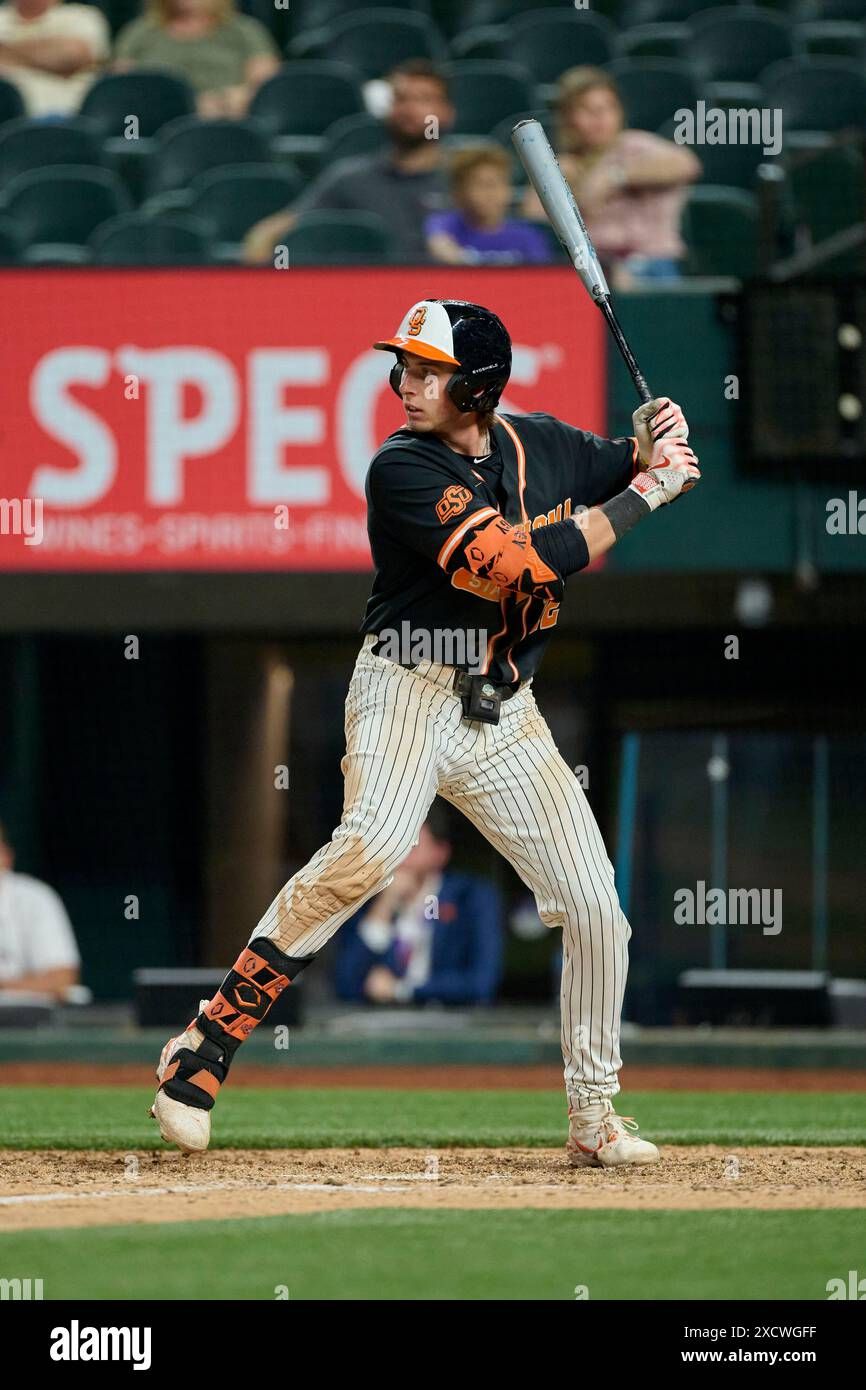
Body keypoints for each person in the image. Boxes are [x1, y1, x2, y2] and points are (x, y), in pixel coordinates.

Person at [150, 297, 700, 1168]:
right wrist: (647, 491)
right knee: (370, 846)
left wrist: (653, 439)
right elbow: (513, 566)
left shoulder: (544, 444)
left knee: (598, 909)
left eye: (428, 371)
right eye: (404, 366)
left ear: (476, 387)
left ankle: (595, 1118)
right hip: (405, 682)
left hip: (503, 713)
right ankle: (206, 1043)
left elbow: (630, 460)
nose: (405, 382)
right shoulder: (400, 468)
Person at [242, 59, 453, 265]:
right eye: (401, 99)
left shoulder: (465, 180)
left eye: (424, 99)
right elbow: (269, 233)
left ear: (447, 112)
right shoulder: (352, 180)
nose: (409, 109)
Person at [522, 66, 700, 286]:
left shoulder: (635, 145)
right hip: (591, 269)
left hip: (651, 264)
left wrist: (615, 176)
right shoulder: (560, 165)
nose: (600, 117)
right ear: (568, 118)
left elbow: (685, 164)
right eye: (587, 109)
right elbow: (533, 219)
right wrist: (559, 186)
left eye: (607, 107)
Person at [333, 806, 502, 1005]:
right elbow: (344, 984)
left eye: (411, 846)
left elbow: (481, 983)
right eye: (393, 845)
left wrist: (402, 990)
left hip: (453, 1027)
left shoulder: (471, 899)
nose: (399, 856)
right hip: (382, 1027)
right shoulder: (366, 900)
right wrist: (383, 908)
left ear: (441, 853)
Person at [113, 0, 279, 118]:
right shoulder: (139, 33)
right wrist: (186, 107)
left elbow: (266, 86)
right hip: (158, 122)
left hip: (225, 118)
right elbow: (122, 88)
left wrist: (223, 100)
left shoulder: (245, 30)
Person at [426, 144, 552, 266]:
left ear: (508, 190)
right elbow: (441, 249)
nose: (489, 193)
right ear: (459, 193)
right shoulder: (444, 225)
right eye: (479, 184)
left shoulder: (527, 236)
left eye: (495, 184)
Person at [0, 820, 81, 1000]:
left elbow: (62, 980)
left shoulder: (35, 898)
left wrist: (5, 986)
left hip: (27, 1024)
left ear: (6, 856)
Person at [0, 0, 109, 117]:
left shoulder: (81, 16)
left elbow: (71, 56)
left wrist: (6, 51)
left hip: (69, 116)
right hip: (7, 116)